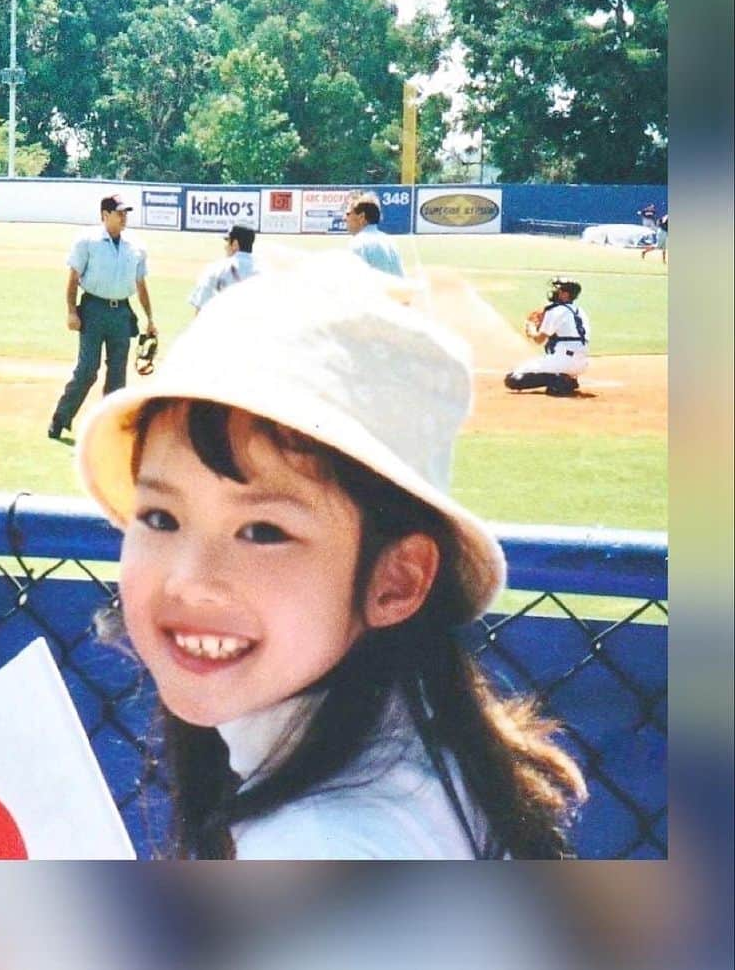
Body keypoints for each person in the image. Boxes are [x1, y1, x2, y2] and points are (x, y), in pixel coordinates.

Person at [76, 257, 586, 858]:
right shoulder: (420, 735)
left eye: (263, 531)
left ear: (395, 580)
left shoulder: (319, 845)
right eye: (161, 518)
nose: (190, 581)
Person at [48, 195, 158, 441]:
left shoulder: (136, 246)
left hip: (121, 312)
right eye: (119, 213)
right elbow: (73, 278)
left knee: (118, 374)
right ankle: (60, 419)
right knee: (88, 370)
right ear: (104, 215)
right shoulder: (87, 241)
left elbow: (140, 284)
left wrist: (150, 318)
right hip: (93, 310)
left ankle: (110, 428)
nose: (124, 217)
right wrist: (71, 311)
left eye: (125, 213)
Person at [504, 276, 590, 397]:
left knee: (513, 379)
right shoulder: (581, 311)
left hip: (562, 361)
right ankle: (567, 379)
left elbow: (539, 340)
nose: (555, 291)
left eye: (558, 289)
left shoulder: (555, 310)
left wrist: (531, 328)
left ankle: (559, 380)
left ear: (565, 294)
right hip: (582, 363)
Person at [188, 225, 260, 315]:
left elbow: (201, 308)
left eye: (227, 241)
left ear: (235, 244)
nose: (225, 247)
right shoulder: (265, 271)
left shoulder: (217, 268)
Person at [343, 195, 404, 278]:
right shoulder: (389, 241)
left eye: (348, 214)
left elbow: (354, 283)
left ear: (361, 217)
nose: (344, 218)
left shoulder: (358, 243)